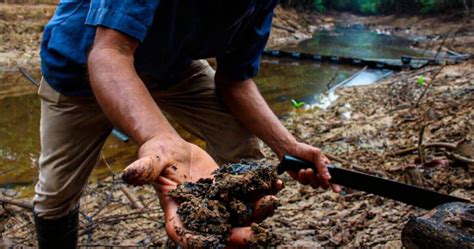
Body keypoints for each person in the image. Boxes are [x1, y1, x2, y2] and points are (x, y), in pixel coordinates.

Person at [34, 0, 340, 248]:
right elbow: (110, 51)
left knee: (245, 153)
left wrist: (287, 146)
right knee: (55, 196)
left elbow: (235, 81)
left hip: (170, 68)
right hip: (80, 69)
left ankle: (205, 231)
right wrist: (161, 137)